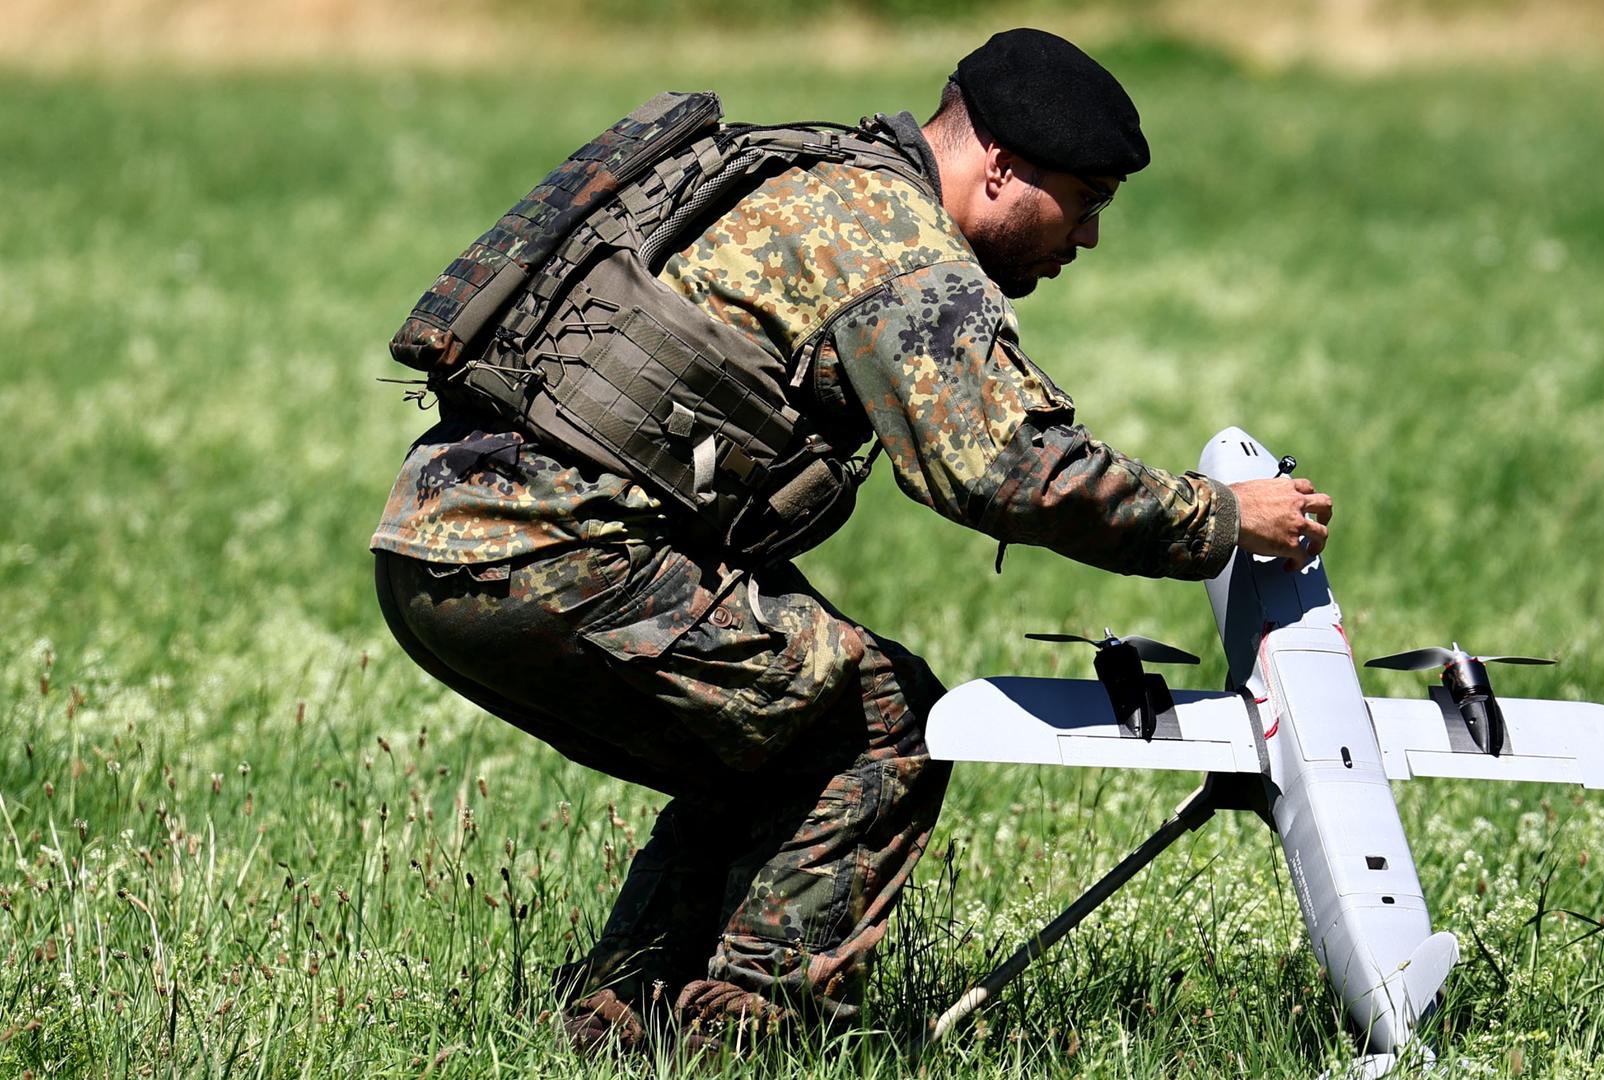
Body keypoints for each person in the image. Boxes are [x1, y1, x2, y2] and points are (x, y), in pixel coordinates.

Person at [370, 27, 1332, 1052]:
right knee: (883, 722)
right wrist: (1223, 516)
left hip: (436, 539)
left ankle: (620, 1025)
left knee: (770, 741)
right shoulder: (897, 243)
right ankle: (753, 1045)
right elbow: (1010, 468)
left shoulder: (816, 172)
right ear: (1002, 166)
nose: (1088, 237)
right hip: (552, 557)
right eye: (1085, 201)